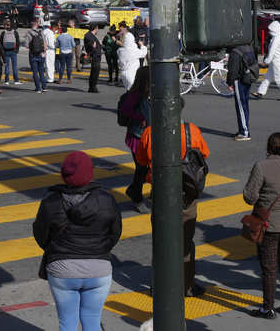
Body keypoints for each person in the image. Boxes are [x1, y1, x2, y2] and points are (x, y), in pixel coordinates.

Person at [33, 151, 122, 331]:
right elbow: (115, 233)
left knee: (67, 322)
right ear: (90, 174)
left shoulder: (50, 202)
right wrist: (99, 249)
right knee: (92, 320)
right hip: (99, 268)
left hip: (62, 269)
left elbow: (40, 235)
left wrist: (55, 249)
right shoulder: (106, 200)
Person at [136, 104, 209, 297]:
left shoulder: (150, 133)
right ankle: (186, 285)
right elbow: (204, 154)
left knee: (161, 241)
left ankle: (159, 285)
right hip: (187, 193)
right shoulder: (191, 130)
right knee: (185, 242)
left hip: (161, 192)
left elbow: (141, 160)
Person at [243, 132, 280, 319]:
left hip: (269, 225)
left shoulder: (261, 167)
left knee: (269, 267)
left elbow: (249, 197)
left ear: (268, 147)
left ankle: (267, 308)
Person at [120, 66, 151, 214]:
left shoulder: (149, 93)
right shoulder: (135, 94)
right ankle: (136, 196)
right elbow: (126, 110)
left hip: (148, 137)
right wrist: (140, 118)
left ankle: (136, 191)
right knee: (142, 169)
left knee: (148, 168)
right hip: (137, 137)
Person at [252, 21, 280, 101]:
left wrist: (266, 62)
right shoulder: (276, 38)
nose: (269, 32)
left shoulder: (276, 39)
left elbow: (272, 52)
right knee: (268, 77)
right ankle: (260, 92)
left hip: (277, 61)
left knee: (279, 78)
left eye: (270, 30)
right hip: (276, 61)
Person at [227, 43, 257, 141]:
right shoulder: (248, 48)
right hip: (247, 78)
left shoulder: (235, 52)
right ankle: (243, 129)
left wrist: (230, 82)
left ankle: (244, 132)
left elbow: (233, 70)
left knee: (240, 106)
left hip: (239, 80)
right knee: (245, 105)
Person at [26, 20, 47, 94]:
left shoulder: (29, 33)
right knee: (41, 71)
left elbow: (26, 45)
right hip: (41, 54)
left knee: (35, 72)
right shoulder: (41, 32)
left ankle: (38, 88)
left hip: (33, 55)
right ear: (37, 25)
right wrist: (44, 52)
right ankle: (44, 87)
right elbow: (45, 44)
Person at [0, 21, 21, 85]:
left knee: (7, 66)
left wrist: (2, 51)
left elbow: (1, 43)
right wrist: (17, 50)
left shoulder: (3, 33)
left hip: (6, 51)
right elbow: (18, 42)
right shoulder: (15, 32)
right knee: (14, 66)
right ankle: (16, 80)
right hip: (13, 51)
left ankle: (6, 81)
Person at [84, 24, 102, 93]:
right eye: (97, 28)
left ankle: (92, 87)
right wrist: (93, 46)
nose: (97, 30)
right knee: (95, 72)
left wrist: (99, 44)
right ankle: (93, 87)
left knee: (94, 72)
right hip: (94, 56)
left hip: (96, 55)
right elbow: (90, 45)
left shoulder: (91, 35)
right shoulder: (88, 35)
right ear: (95, 28)